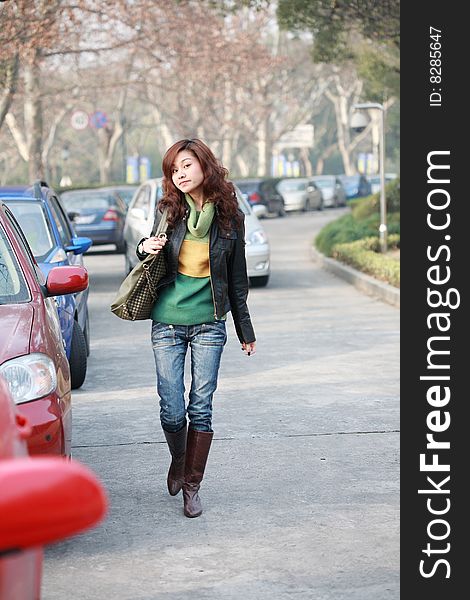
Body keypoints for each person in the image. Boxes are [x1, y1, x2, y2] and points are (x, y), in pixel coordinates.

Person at [136, 138, 256, 518]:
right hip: (167, 323)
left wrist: (245, 329)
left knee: (200, 409)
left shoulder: (229, 217)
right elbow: (145, 251)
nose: (180, 174)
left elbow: (237, 278)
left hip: (209, 325)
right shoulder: (168, 211)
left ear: (204, 165)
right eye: (174, 169)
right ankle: (180, 460)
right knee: (172, 411)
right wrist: (145, 247)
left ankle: (192, 484)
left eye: (186, 165)